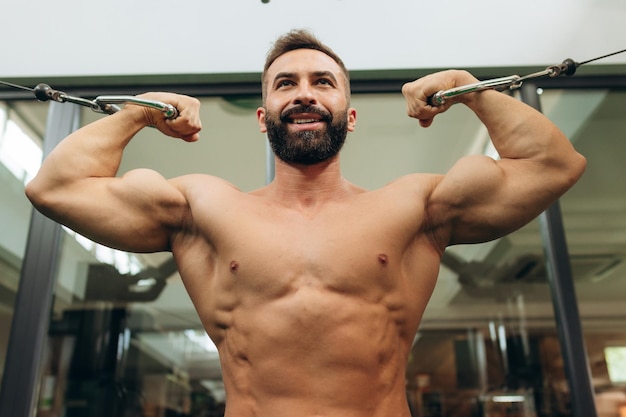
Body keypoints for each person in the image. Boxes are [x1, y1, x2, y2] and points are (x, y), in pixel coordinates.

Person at [25, 29, 586, 417]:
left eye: (323, 82)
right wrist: (139, 112)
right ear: (264, 116)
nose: (305, 94)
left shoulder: (414, 207)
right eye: (286, 83)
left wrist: (470, 88)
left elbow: (554, 165)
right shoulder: (203, 210)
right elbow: (55, 187)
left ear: (349, 112)